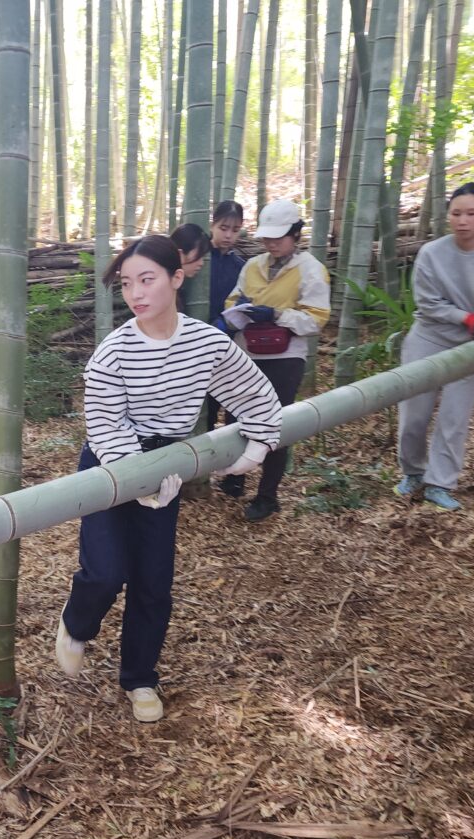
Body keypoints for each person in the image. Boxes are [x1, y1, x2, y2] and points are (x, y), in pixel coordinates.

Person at [56, 235, 283, 722]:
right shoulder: (112, 353)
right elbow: (105, 426)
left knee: (154, 582)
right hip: (111, 467)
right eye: (127, 284)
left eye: (148, 279)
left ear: (177, 279)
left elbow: (255, 395)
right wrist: (141, 482)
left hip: (168, 467)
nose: (136, 293)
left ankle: (140, 677)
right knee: (104, 571)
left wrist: (257, 446)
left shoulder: (206, 344)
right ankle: (76, 624)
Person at [395, 182, 474, 510]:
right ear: (448, 215)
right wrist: (464, 317)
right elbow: (426, 302)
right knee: (413, 414)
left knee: (454, 417)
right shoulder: (432, 252)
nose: (463, 220)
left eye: (471, 213)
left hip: (471, 346)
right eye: (456, 213)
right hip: (429, 335)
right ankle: (412, 471)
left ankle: (440, 483)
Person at [220, 198, 331, 522]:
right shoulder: (252, 266)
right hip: (247, 352)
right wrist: (239, 309)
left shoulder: (311, 269)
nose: (271, 243)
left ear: (296, 234)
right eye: (267, 238)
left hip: (286, 356)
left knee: (275, 423)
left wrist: (278, 315)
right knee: (235, 416)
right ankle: (234, 476)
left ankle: (267, 496)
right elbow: (232, 300)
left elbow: (317, 319)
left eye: (278, 237)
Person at [170, 201, 246, 325]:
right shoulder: (195, 256)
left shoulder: (239, 266)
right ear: (212, 225)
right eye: (223, 228)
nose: (228, 235)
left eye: (235, 230)